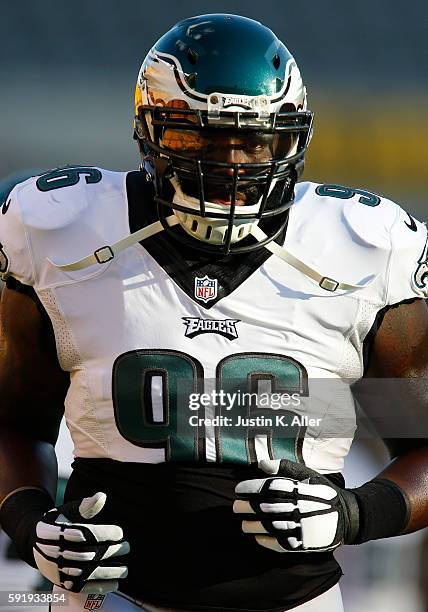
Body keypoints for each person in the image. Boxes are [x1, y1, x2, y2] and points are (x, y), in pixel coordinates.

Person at [0, 13, 427, 612]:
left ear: (290, 138)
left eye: (251, 139)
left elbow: (422, 445)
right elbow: (14, 423)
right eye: (198, 135)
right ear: (151, 131)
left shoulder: (362, 248)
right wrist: (30, 523)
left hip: (297, 602)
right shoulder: (64, 231)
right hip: (117, 598)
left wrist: (353, 514)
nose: (229, 163)